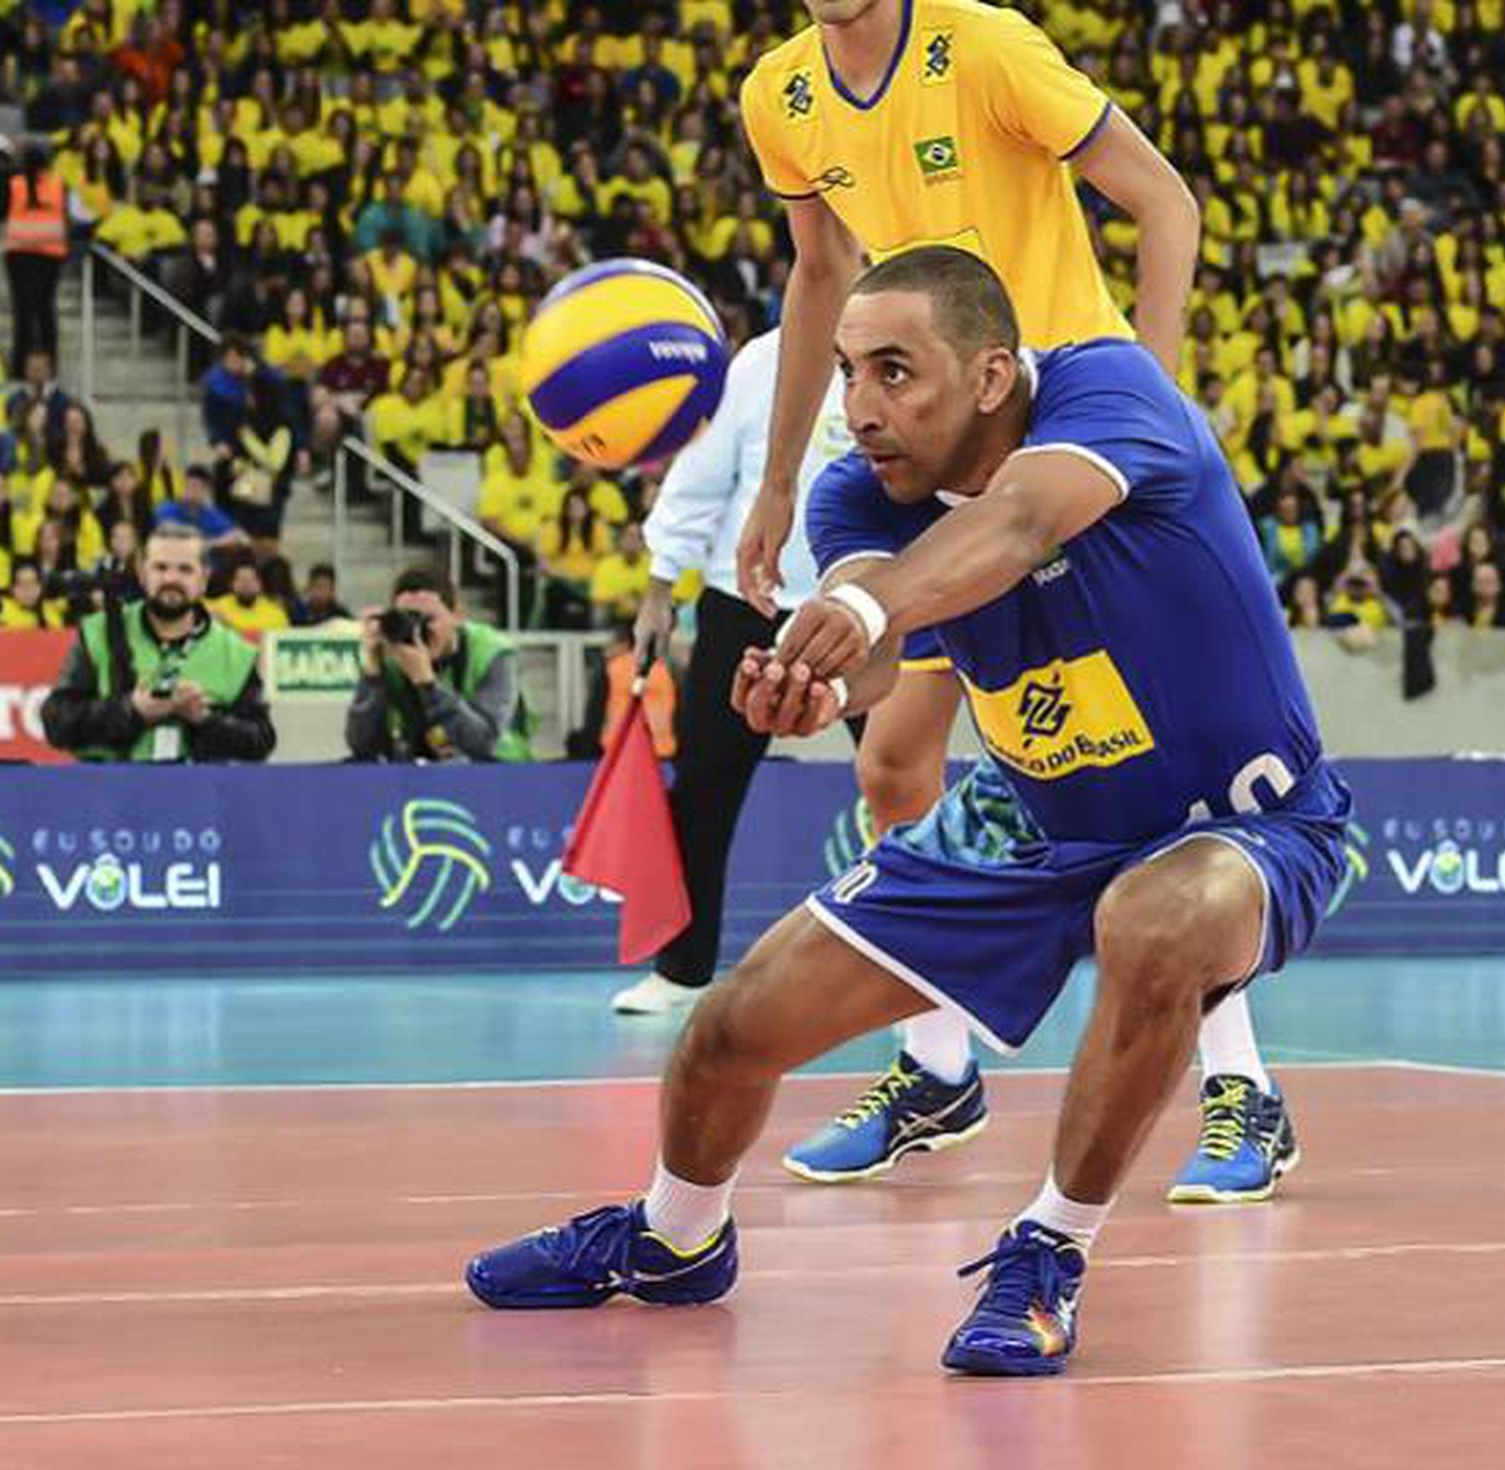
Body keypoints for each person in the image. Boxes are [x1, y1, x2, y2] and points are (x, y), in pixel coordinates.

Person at [466, 249, 1350, 1376]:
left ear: (990, 376)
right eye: (845, 372)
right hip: (1027, 819)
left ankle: (1047, 1253)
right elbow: (883, 652)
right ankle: (673, 1239)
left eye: (894, 372)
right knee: (729, 1031)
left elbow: (1020, 525)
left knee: (1157, 918)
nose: (859, 409)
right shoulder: (853, 492)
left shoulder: (1111, 394)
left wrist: (862, 604)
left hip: (1240, 825)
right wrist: (819, 682)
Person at [736, 0, 1285, 1205]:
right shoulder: (780, 93)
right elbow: (820, 275)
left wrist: (1147, 409)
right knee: (892, 764)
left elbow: (1164, 201)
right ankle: (937, 1071)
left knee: (1144, 782)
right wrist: (775, 477)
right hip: (929, 464)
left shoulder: (983, 48)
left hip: (1062, 460)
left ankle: (1241, 1085)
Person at [605, 326, 852, 1015]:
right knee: (704, 790)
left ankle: (929, 977)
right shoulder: (762, 360)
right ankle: (682, 970)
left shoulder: (909, 341)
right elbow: (700, 478)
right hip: (746, 600)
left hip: (866, 601)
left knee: (897, 781)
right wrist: (658, 592)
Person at [39, 523, 276, 762]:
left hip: (198, 794)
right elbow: (56, 723)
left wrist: (203, 718)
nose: (171, 579)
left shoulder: (234, 652)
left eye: (185, 569)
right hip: (107, 793)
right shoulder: (98, 632)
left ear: (204, 579)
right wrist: (132, 711)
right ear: (143, 574)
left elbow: (261, 742)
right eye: (160, 567)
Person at [345, 564, 532, 762]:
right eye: (408, 619)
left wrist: (428, 685)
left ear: (457, 615)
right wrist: (372, 671)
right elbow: (362, 747)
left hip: (500, 769)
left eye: (427, 620)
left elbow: (483, 743)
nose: (418, 631)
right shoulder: (393, 652)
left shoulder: (492, 652)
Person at [2, 141, 67, 381]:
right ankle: (30, 366)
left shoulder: (16, 183)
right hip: (34, 255)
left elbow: (1, 212)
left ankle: (29, 367)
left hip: (33, 255)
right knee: (36, 312)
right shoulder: (53, 185)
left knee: (31, 311)